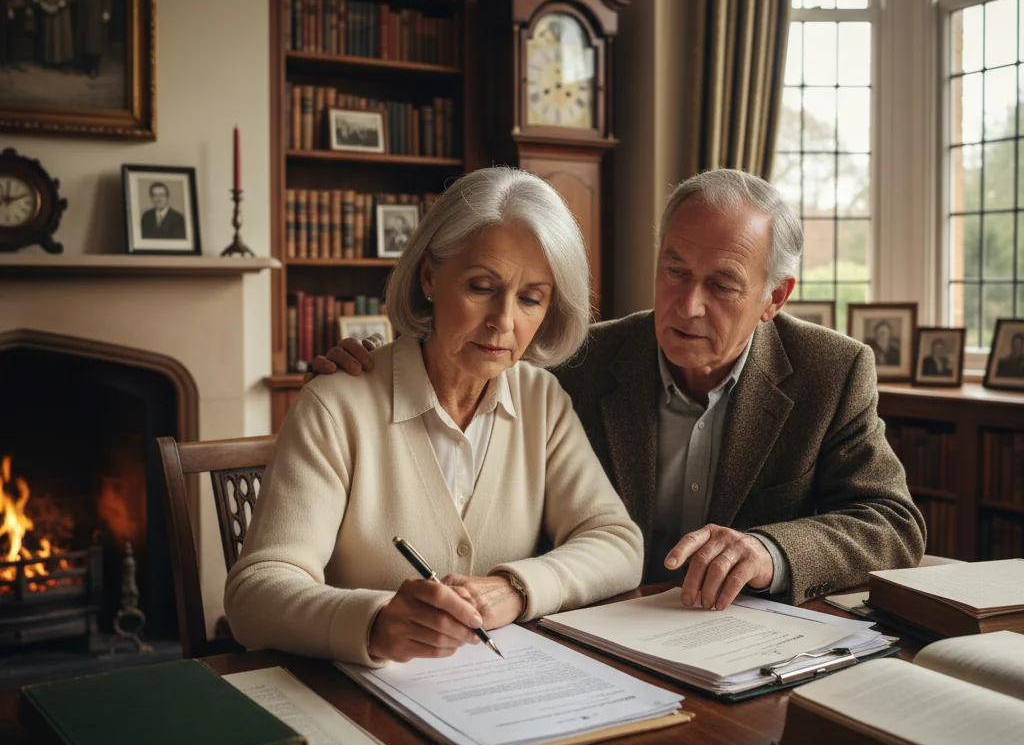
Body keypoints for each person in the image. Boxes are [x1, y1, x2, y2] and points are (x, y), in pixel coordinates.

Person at [316, 169, 925, 609]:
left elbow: (894, 523)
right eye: (675, 270)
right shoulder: (579, 360)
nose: (687, 305)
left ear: (775, 298)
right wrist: (383, 365)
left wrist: (771, 552)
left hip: (749, 645)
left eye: (722, 285)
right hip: (589, 637)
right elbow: (475, 363)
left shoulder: (831, 371)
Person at [224, 167, 643, 665]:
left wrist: (515, 589)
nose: (503, 322)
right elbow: (253, 596)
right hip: (362, 702)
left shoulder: (541, 400)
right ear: (429, 276)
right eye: (481, 287)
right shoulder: (336, 404)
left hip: (502, 699)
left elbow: (618, 544)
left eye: (531, 298)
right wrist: (376, 623)